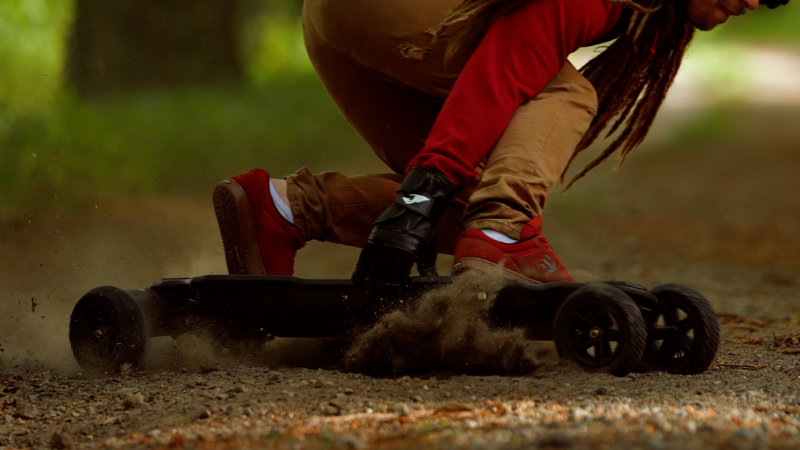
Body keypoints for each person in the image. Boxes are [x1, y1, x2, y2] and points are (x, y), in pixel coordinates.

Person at [212, 0, 790, 286]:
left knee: (460, 208)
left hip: (343, 21)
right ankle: (503, 233)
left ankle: (283, 208)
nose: (755, 1)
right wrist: (426, 185)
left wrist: (427, 197)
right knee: (567, 95)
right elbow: (514, 60)